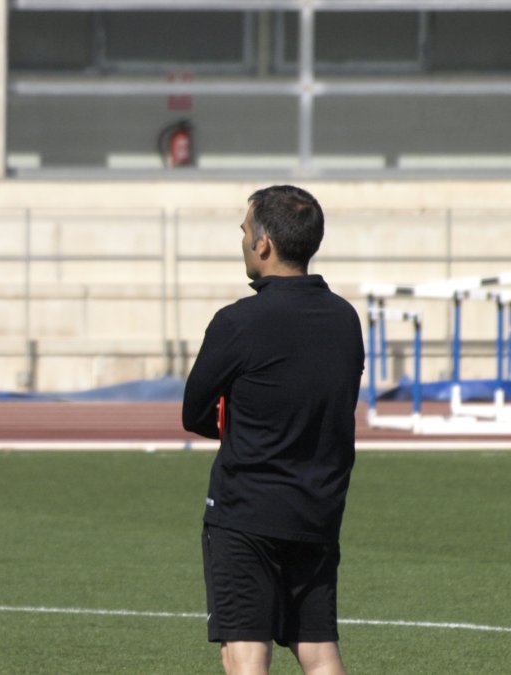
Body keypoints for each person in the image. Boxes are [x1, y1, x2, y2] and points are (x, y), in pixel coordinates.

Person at [182, 185, 364, 675]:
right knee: (319, 648)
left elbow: (194, 411)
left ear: (264, 243)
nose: (242, 239)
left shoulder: (238, 322)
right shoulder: (346, 320)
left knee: (244, 650)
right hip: (319, 510)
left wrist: (247, 429)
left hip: (247, 514)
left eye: (244, 230)